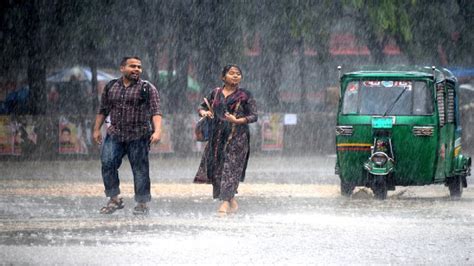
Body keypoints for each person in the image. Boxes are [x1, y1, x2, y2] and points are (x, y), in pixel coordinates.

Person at [93, 56, 162, 215]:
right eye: (132, 66)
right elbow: (103, 109)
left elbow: (156, 111)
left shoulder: (147, 88)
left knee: (140, 170)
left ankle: (142, 203)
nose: (136, 69)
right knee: (107, 163)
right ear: (122, 68)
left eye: (139, 67)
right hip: (115, 134)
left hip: (138, 135)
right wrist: (96, 129)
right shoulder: (111, 87)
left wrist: (157, 130)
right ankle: (114, 199)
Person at [194, 64, 258, 215]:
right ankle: (231, 201)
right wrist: (204, 113)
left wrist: (237, 120)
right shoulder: (215, 93)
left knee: (231, 168)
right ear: (223, 77)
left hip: (238, 138)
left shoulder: (245, 95)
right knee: (217, 168)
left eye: (238, 73)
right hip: (217, 138)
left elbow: (254, 115)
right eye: (231, 73)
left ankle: (224, 203)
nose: (235, 76)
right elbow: (201, 107)